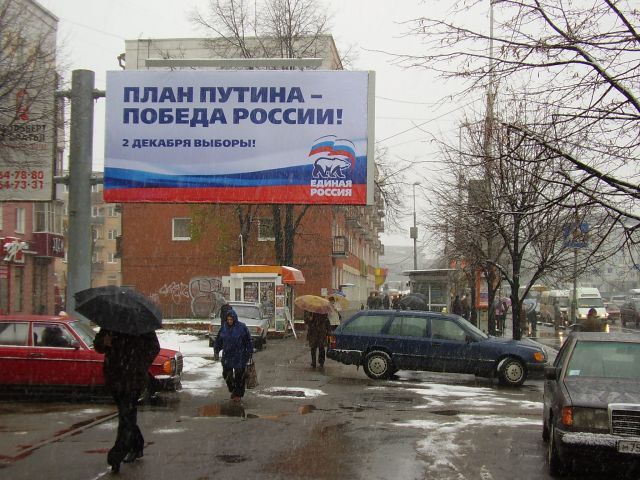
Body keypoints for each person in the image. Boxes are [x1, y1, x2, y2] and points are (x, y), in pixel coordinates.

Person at [94, 328, 160, 473]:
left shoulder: (142, 326)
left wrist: (140, 364)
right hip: (114, 377)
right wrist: (104, 342)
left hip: (133, 379)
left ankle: (117, 455)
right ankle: (137, 445)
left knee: (126, 415)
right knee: (126, 415)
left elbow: (154, 347)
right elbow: (98, 346)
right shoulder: (111, 324)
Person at [213, 308, 253, 402]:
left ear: (235, 319)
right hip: (227, 355)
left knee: (240, 376)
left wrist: (250, 351)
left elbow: (248, 340)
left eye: (231, 319)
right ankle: (232, 389)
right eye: (228, 319)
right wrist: (216, 350)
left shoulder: (242, 327)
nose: (229, 321)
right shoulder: (224, 327)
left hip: (240, 355)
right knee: (227, 375)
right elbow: (219, 340)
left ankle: (238, 394)